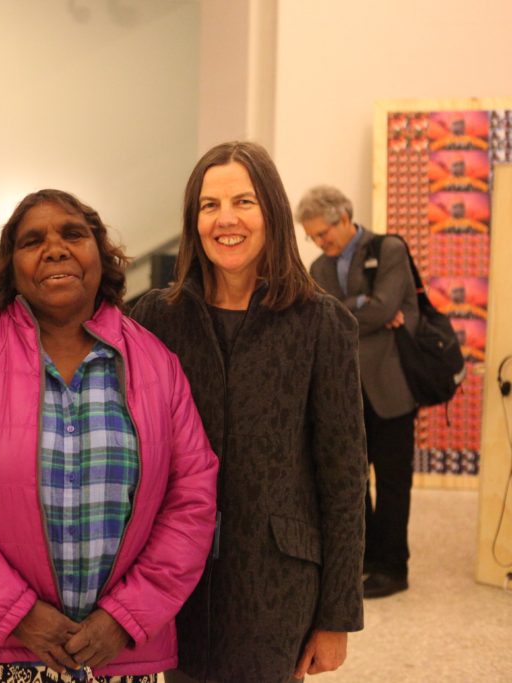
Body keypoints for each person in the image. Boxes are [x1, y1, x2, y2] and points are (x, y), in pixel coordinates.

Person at [0, 189, 219, 682]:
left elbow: (192, 502)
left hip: (117, 655)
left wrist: (124, 617)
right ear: (11, 265)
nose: (55, 248)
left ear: (100, 253)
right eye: (33, 241)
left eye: (73, 234)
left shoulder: (158, 364)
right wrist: (20, 615)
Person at [131, 142, 366, 682]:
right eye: (209, 205)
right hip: (176, 576)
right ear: (194, 221)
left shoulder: (321, 323)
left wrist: (337, 617)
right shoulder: (155, 319)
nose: (226, 219)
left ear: (273, 214)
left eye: (244, 201)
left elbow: (344, 476)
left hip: (278, 582)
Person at [297, 184, 419, 600]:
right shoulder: (317, 268)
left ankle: (393, 566)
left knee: (393, 480)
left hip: (392, 387)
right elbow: (320, 320)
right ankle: (363, 559)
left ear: (344, 218)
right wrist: (363, 304)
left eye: (323, 234)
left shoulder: (388, 250)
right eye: (312, 237)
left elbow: (385, 306)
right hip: (342, 390)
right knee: (349, 480)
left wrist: (354, 308)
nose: (319, 243)